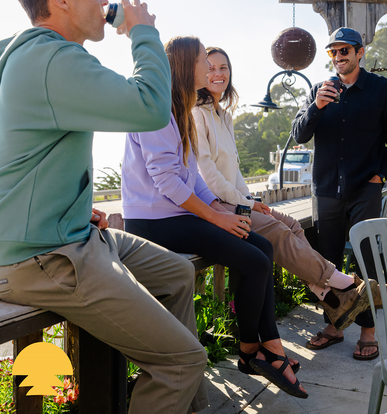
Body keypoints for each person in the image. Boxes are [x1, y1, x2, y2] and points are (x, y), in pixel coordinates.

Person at [0, 0, 208, 414]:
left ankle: (185, 404)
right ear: (60, 0)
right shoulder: (51, 60)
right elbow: (150, 107)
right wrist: (143, 34)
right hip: (41, 257)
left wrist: (66, 204)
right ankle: (176, 382)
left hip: (66, 234)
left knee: (177, 273)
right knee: (182, 361)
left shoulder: (33, 53)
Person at [122, 35, 309, 399]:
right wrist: (216, 218)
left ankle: (260, 350)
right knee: (255, 261)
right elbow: (166, 181)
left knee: (262, 248)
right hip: (154, 222)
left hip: (178, 216)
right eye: (201, 62)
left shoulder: (181, 110)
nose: (208, 69)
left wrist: (226, 210)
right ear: (185, 66)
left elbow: (193, 177)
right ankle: (254, 350)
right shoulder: (157, 110)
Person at [192, 45, 379, 335]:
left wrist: (250, 200)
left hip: (235, 201)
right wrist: (247, 204)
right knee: (277, 231)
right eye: (211, 68)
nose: (218, 73)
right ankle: (344, 285)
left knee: (292, 224)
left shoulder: (224, 116)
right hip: (215, 206)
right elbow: (207, 174)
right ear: (200, 72)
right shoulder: (196, 113)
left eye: (223, 67)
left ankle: (326, 294)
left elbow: (234, 171)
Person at [291, 27, 387, 360]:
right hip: (326, 188)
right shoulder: (318, 90)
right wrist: (316, 106)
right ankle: (334, 327)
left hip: (365, 186)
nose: (338, 56)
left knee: (366, 256)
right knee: (327, 261)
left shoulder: (382, 90)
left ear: (360, 52)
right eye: (333, 51)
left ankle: (368, 331)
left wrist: (381, 175)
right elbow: (299, 135)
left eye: (344, 50)